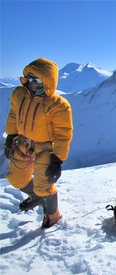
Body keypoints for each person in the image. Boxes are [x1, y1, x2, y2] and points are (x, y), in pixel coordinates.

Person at [4, 58, 73, 228]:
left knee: (45, 185)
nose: (32, 83)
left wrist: (57, 160)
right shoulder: (19, 94)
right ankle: (36, 197)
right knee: (16, 178)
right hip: (23, 142)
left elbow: (63, 134)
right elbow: (14, 115)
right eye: (29, 78)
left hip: (45, 148)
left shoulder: (58, 105)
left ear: (47, 81)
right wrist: (11, 136)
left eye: (37, 79)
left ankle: (53, 215)